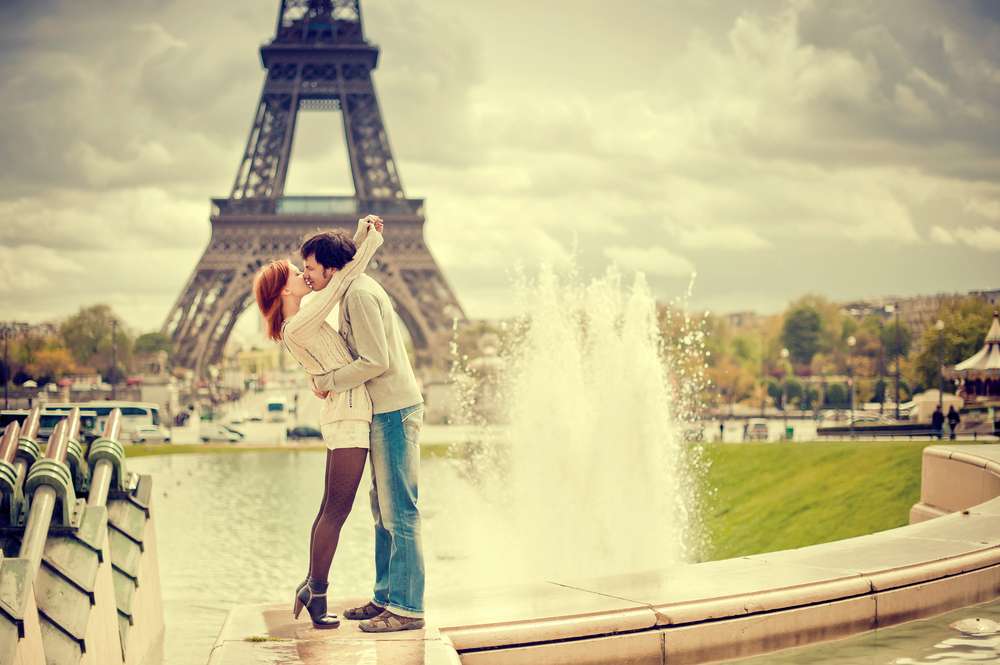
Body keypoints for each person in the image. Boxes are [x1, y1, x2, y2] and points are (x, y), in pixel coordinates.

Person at [252, 216, 383, 630]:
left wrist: (359, 237)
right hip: (347, 417)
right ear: (284, 289)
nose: (303, 273)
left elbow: (336, 275)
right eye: (296, 272)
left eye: (306, 267)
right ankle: (317, 589)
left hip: (345, 413)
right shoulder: (300, 323)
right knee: (336, 510)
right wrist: (371, 242)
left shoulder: (300, 321)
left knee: (331, 508)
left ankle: (314, 587)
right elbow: (342, 282)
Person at [306, 232, 426, 634]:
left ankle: (407, 609)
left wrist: (329, 379)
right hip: (384, 410)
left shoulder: (357, 294)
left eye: (309, 267)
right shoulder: (352, 289)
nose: (306, 275)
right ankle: (386, 597)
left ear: (331, 267)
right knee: (382, 511)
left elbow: (376, 359)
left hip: (393, 409)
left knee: (399, 513)